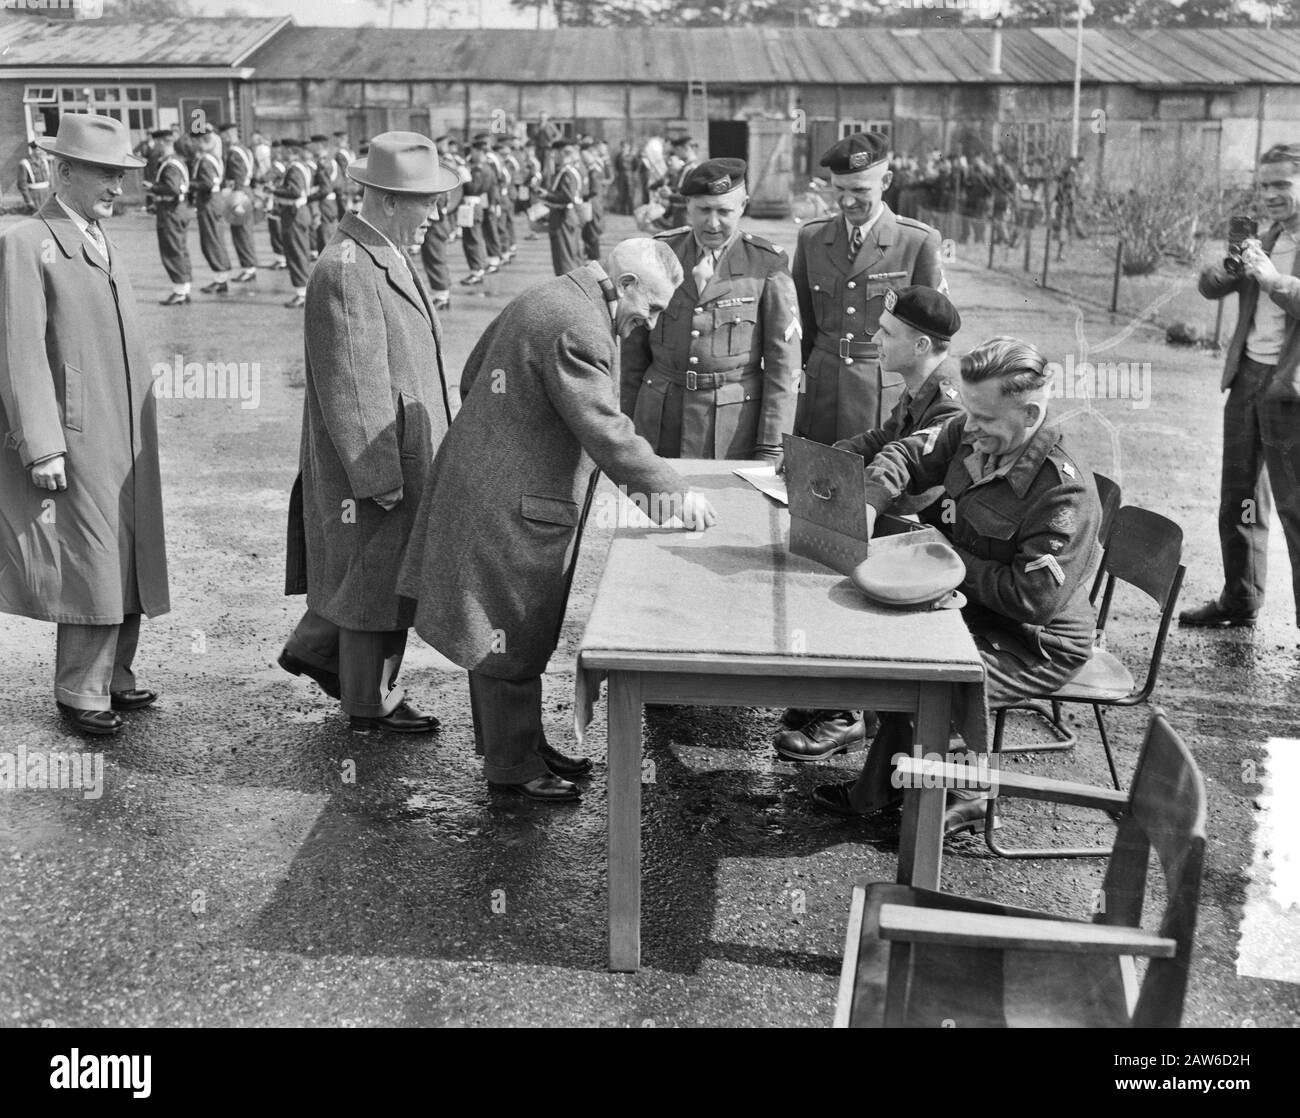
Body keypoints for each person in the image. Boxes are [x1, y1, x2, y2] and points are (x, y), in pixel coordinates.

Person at [398, 239, 719, 802]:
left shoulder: (553, 296)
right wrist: (673, 496)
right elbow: (605, 429)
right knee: (505, 631)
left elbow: (474, 375)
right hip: (509, 497)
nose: (650, 321)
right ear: (625, 285)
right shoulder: (581, 327)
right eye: (652, 306)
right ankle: (512, 768)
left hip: (492, 482)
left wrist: (507, 436)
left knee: (509, 627)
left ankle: (522, 744)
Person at [809, 337, 1101, 836]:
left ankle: (966, 794)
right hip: (971, 609)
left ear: (1030, 412)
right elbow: (905, 450)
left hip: (1033, 642)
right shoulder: (973, 431)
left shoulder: (1063, 492)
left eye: (984, 418)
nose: (970, 427)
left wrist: (943, 558)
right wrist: (871, 502)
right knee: (881, 646)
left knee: (927, 681)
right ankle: (887, 785)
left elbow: (1034, 601)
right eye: (968, 412)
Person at [280, 131, 458, 734]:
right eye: (425, 201)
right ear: (385, 199)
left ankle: (325, 656)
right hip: (379, 452)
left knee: (378, 573)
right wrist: (377, 473)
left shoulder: (379, 252)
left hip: (398, 441)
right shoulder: (348, 269)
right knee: (371, 583)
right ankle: (366, 703)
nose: (435, 214)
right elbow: (352, 385)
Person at [0, 114, 169, 738]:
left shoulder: (97, 236)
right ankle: (79, 689)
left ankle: (116, 674)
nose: (116, 186)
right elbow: (18, 352)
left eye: (120, 174)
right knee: (92, 555)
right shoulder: (25, 242)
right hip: (76, 432)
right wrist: (41, 443)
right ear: (62, 170)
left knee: (128, 548)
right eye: (103, 172)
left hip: (123, 430)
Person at [775, 285, 965, 760]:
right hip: (908, 527)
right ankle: (834, 694)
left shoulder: (951, 400)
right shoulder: (920, 383)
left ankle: (848, 712)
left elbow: (902, 458)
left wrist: (866, 502)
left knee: (836, 576)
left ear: (920, 345)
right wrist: (827, 459)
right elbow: (885, 435)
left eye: (886, 332)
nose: (874, 339)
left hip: (932, 541)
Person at [1181, 142, 1300, 632]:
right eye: (1264, 184)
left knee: (1295, 509)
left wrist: (1272, 279)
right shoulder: (1268, 236)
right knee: (1240, 496)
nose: (1270, 195)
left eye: (1281, 185)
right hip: (1249, 376)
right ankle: (1241, 597)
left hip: (1290, 387)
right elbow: (1208, 285)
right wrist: (1235, 263)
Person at [620, 157, 799, 462]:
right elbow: (632, 357)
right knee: (653, 507)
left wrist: (771, 445)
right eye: (703, 210)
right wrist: (625, 432)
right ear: (687, 205)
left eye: (724, 211)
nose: (713, 223)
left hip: (731, 428)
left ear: (743, 206)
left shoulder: (767, 265)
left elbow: (784, 366)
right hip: (658, 420)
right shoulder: (658, 255)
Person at [792, 131, 944, 446]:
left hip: (882, 394)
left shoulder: (917, 241)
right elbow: (801, 328)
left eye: (860, 190)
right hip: (821, 395)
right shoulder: (811, 238)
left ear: (886, 181)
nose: (847, 201)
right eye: (839, 190)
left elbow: (934, 338)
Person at [148, 129, 193, 307]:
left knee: (172, 249)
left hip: (170, 210)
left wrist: (153, 187)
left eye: (158, 144)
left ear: (164, 143)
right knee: (181, 248)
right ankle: (185, 288)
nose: (156, 147)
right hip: (180, 209)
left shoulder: (170, 164)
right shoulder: (178, 161)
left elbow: (172, 188)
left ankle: (179, 291)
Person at [272, 137, 314, 308]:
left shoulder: (294, 169)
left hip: (293, 214)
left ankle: (301, 293)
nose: (281, 153)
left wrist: (274, 190)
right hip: (299, 213)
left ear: (290, 151)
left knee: (295, 252)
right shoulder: (300, 166)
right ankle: (303, 290)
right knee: (300, 251)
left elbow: (295, 191)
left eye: (283, 150)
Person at [190, 129, 231, 296]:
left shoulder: (205, 160)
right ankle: (221, 276)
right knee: (216, 237)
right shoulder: (215, 158)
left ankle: (220, 278)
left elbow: (206, 183)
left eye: (196, 141)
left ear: (202, 142)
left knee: (211, 239)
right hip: (215, 199)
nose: (193, 144)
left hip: (208, 201)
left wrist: (189, 184)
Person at [217, 121, 258, 284]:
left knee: (241, 233)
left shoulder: (234, 152)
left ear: (228, 134)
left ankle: (248, 268)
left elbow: (238, 175)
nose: (223, 138)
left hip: (239, 192)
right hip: (246, 190)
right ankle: (249, 267)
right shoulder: (245, 149)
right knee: (244, 231)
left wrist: (237, 198)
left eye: (223, 135)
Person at [541, 137, 586, 277]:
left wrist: (547, 195)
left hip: (564, 216)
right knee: (571, 254)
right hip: (567, 215)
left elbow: (567, 197)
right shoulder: (570, 170)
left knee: (565, 258)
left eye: (554, 154)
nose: (552, 158)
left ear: (561, 154)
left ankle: (570, 292)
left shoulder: (566, 172)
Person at [17, 140, 52, 212]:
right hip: (35, 196)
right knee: (38, 219)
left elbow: (50, 181)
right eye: (38, 150)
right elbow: (21, 184)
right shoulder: (24, 163)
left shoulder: (44, 162)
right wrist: (28, 200)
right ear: (32, 150)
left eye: (42, 150)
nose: (41, 152)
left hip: (47, 194)